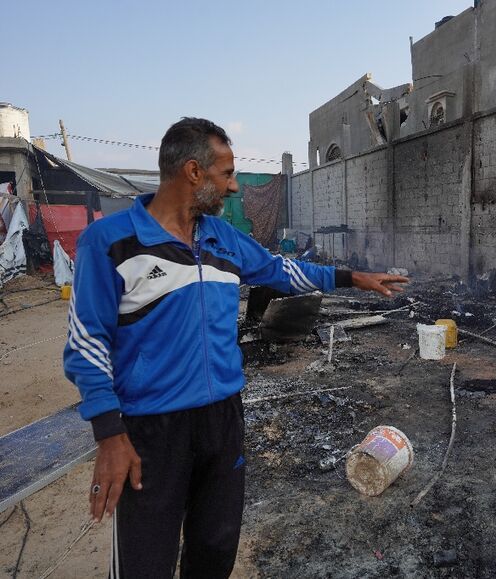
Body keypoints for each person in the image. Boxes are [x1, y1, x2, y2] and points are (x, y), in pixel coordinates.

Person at [63, 117, 408, 578]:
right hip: (151, 430)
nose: (232, 188)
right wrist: (109, 434)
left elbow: (280, 270)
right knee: (145, 562)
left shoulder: (221, 239)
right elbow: (86, 345)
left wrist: (351, 278)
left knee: (215, 549)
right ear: (192, 172)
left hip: (223, 420)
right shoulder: (110, 243)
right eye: (226, 174)